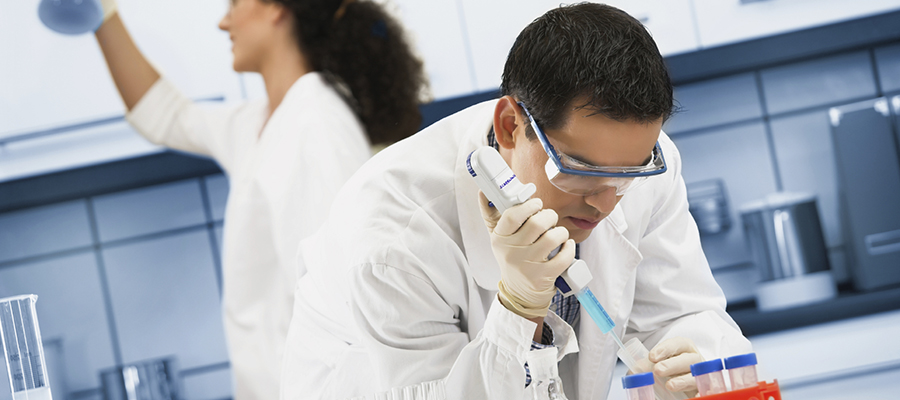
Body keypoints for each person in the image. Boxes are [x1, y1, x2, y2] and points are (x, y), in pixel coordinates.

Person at [281, 3, 751, 399]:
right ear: (511, 126)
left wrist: (697, 367)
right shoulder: (395, 235)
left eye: (626, 175)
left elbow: (680, 312)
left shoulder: (645, 163)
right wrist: (519, 307)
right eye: (583, 171)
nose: (607, 203)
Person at [90, 0, 426, 398]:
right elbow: (165, 116)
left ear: (276, 9)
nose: (222, 21)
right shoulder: (261, 123)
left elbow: (340, 302)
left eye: (234, 4)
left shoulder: (316, 125)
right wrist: (101, 13)